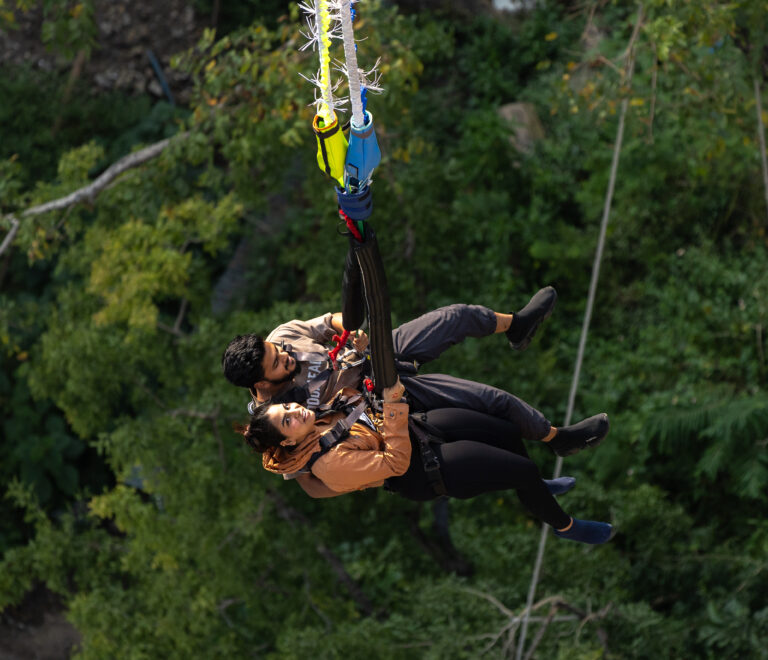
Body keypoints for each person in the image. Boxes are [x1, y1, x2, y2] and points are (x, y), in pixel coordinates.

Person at [222, 288, 610, 455]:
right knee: (485, 399)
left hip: (372, 352)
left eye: (280, 352)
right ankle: (556, 438)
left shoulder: (284, 337)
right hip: (380, 397)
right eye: (278, 365)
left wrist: (352, 331)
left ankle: (517, 324)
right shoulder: (276, 413)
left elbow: (329, 321)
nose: (286, 358)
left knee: (454, 317)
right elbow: (299, 448)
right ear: (261, 383)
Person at [236, 379, 613, 544]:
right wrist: (396, 408)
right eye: (288, 419)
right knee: (523, 470)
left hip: (414, 431)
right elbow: (396, 464)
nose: (296, 412)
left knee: (504, 430)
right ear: (288, 440)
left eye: (288, 408)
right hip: (421, 468)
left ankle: (536, 491)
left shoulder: (317, 417)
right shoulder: (327, 465)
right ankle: (565, 526)